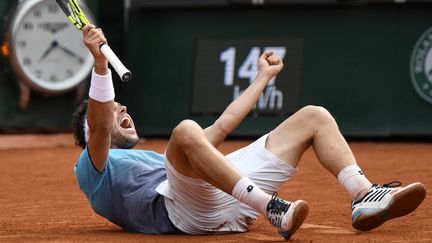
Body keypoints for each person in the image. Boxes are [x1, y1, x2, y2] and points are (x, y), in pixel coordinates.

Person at [71, 25, 426, 240]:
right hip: (185, 214)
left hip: (222, 200)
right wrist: (100, 65)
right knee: (184, 131)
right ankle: (270, 207)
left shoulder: (148, 159)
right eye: (114, 107)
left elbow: (223, 125)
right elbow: (101, 123)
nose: (123, 108)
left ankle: (363, 195)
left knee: (313, 116)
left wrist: (262, 78)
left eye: (121, 106)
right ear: (89, 131)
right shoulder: (92, 170)